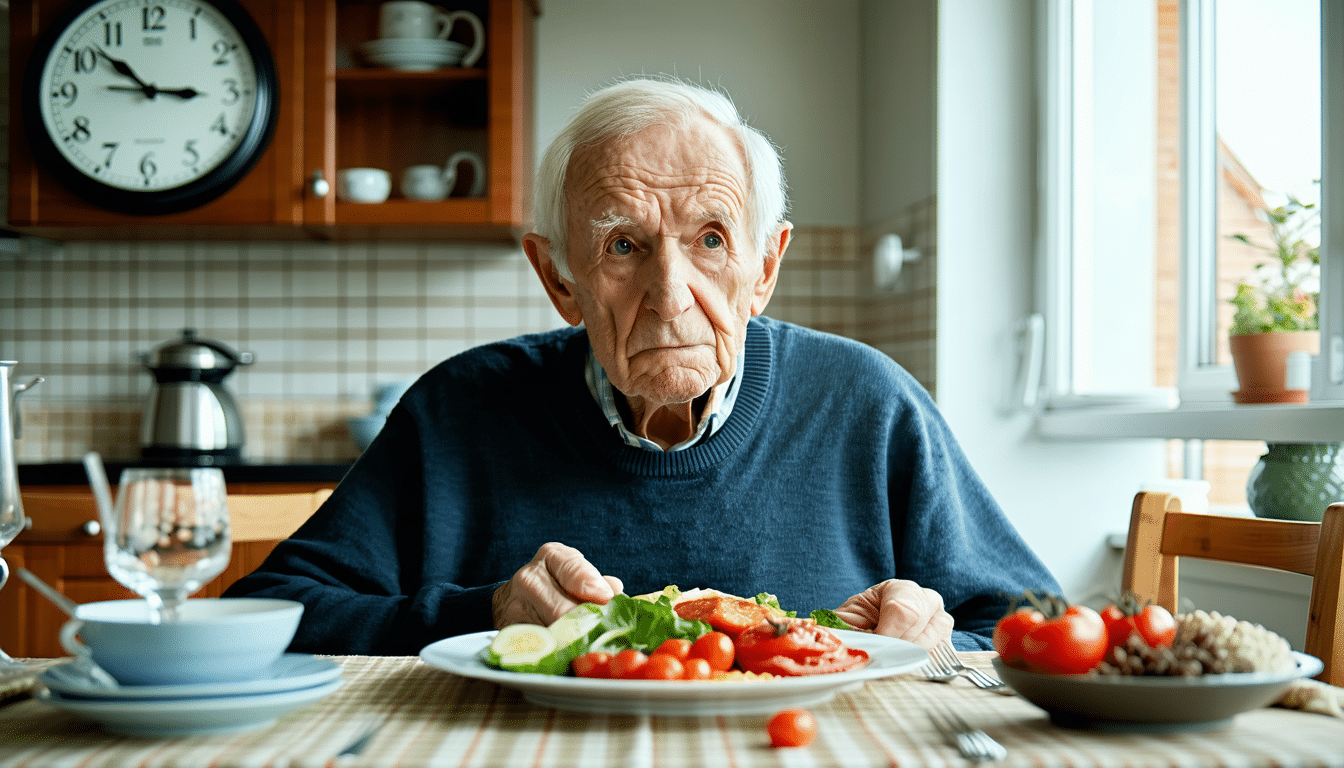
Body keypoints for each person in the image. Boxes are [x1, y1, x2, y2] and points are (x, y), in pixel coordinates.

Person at [224, 78, 1060, 655]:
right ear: (561, 279)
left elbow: (1042, 626)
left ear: (764, 268)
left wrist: (933, 638)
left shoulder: (866, 403)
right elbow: (262, 617)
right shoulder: (459, 411)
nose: (671, 293)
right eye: (623, 245)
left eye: (711, 240)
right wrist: (477, 616)